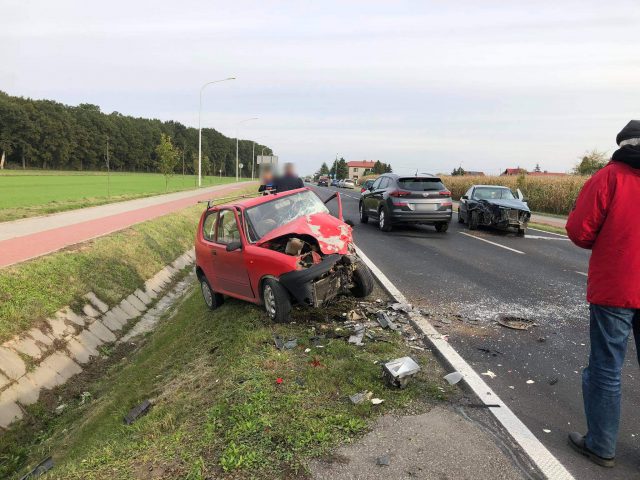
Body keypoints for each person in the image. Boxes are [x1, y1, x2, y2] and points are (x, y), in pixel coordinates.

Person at [566, 120, 640, 468]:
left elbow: (580, 231)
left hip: (617, 287)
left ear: (622, 144)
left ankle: (601, 445)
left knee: (607, 368)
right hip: (619, 288)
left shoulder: (609, 177)